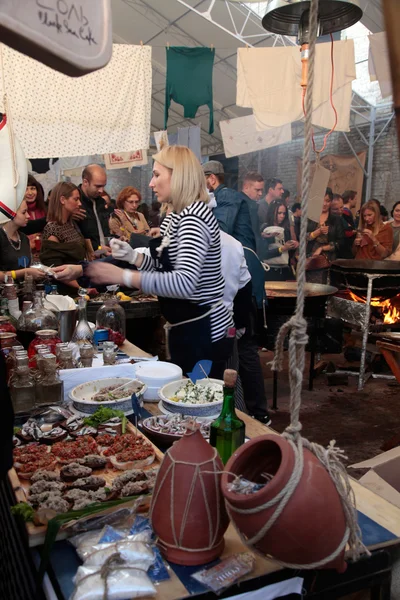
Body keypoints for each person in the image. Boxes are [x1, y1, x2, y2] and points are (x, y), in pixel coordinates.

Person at [55, 146, 235, 380]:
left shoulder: (193, 218)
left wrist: (122, 276)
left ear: (178, 175)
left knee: (201, 404)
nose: (151, 183)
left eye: (157, 175)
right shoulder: (180, 215)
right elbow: (167, 266)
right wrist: (134, 258)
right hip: (190, 328)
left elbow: (184, 283)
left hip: (205, 330)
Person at [205, 164, 271, 425]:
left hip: (243, 281)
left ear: (210, 179)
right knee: (241, 348)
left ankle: (258, 413)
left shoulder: (227, 197)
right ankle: (248, 409)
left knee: (245, 348)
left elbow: (217, 231)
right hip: (238, 277)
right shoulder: (229, 199)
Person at [40, 182, 96, 295]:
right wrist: (82, 289)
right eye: (76, 199)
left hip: (79, 287)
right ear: (62, 200)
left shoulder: (71, 224)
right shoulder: (53, 229)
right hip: (65, 293)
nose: (79, 203)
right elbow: (55, 269)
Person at [0, 201, 45, 282]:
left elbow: (28, 266)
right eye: (24, 212)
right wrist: (24, 272)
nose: (28, 216)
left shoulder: (24, 238)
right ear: (10, 213)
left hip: (24, 292)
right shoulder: (1, 237)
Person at [306, 188, 344, 283]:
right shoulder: (310, 218)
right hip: (311, 258)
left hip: (329, 259)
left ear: (331, 202)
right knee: (310, 288)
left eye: (327, 201)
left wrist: (322, 248)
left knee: (326, 286)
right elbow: (302, 237)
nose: (324, 204)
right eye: (321, 200)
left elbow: (341, 242)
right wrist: (317, 232)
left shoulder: (336, 220)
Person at [77, 164, 112, 257]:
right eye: (97, 186)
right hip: (87, 260)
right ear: (85, 182)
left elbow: (104, 232)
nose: (101, 190)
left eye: (103, 186)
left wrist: (115, 240)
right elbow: (79, 241)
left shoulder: (101, 202)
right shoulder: (76, 204)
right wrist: (100, 249)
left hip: (104, 256)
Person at [260, 201, 298, 280]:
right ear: (273, 212)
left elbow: (288, 254)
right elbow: (263, 253)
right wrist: (282, 249)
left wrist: (293, 246)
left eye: (284, 213)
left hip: (284, 270)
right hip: (270, 270)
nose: (282, 216)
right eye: (279, 213)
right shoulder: (265, 229)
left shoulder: (286, 229)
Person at [23, 174, 47, 253]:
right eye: (26, 189)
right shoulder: (17, 212)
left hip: (45, 253)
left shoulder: (46, 209)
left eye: (33, 188)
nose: (30, 193)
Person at [241, 171, 264, 249]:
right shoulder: (245, 206)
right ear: (246, 187)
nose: (260, 193)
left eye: (261, 190)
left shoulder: (251, 205)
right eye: (257, 190)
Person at [330, 194, 354, 259]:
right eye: (335, 209)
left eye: (341, 207)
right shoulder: (327, 221)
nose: (339, 211)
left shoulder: (346, 216)